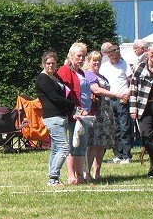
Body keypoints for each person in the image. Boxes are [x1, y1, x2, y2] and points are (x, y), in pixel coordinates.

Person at [36, 51, 77, 187]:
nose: (51, 66)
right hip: (53, 117)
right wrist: (72, 105)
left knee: (55, 149)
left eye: (53, 63)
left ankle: (53, 178)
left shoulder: (55, 76)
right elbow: (54, 97)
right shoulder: (42, 79)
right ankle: (53, 178)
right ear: (43, 64)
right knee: (64, 148)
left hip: (61, 116)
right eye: (48, 63)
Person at [84, 51, 121, 181]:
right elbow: (96, 90)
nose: (97, 63)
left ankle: (97, 173)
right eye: (94, 60)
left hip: (106, 113)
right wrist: (116, 94)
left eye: (99, 60)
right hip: (96, 113)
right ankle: (86, 173)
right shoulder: (88, 75)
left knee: (101, 145)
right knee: (93, 144)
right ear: (88, 62)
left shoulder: (101, 76)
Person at [57, 42, 90, 185]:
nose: (82, 59)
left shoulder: (81, 72)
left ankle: (80, 176)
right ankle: (72, 176)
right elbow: (65, 93)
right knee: (74, 144)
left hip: (85, 113)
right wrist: (75, 110)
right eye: (79, 56)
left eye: (83, 56)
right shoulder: (65, 70)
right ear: (71, 56)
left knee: (81, 144)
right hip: (73, 113)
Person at [100, 43, 133, 164]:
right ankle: (118, 154)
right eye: (114, 57)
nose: (117, 58)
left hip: (122, 99)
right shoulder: (104, 67)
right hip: (109, 99)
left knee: (125, 127)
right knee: (116, 129)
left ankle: (126, 155)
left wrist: (127, 95)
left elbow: (131, 81)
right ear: (108, 55)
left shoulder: (124, 64)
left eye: (118, 56)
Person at [129, 44, 153, 178]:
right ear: (148, 52)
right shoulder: (140, 68)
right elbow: (133, 90)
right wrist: (133, 110)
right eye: (152, 52)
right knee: (146, 137)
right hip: (144, 108)